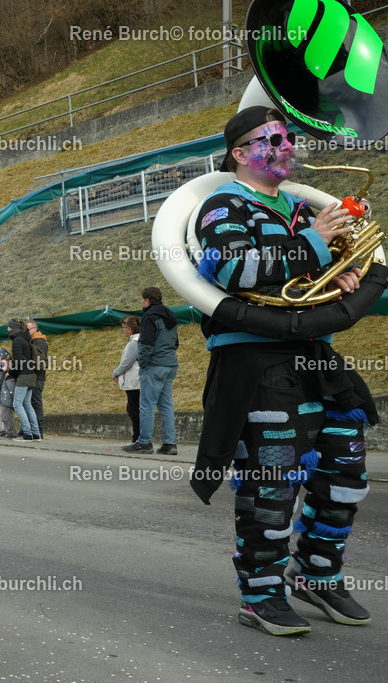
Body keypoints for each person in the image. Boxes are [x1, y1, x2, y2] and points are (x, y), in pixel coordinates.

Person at [190, 105, 378, 636]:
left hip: (314, 355)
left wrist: (342, 272)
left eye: (287, 136)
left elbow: (310, 266)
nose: (286, 145)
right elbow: (233, 267)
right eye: (271, 138)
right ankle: (261, 592)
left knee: (346, 472)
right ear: (240, 152)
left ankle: (318, 574)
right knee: (272, 484)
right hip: (257, 360)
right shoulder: (222, 205)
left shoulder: (297, 209)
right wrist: (315, 244)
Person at [122, 287, 178, 455]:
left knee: (146, 404)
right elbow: (176, 342)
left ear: (147, 300)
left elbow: (145, 344)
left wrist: (144, 364)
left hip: (154, 365)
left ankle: (144, 442)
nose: (141, 303)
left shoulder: (149, 316)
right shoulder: (171, 315)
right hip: (170, 363)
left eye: (141, 300)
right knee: (166, 405)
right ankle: (170, 443)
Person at [7, 318, 40, 441]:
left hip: (24, 375)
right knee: (27, 404)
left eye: (8, 327)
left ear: (12, 328)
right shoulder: (26, 338)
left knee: (17, 404)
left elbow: (18, 362)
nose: (7, 329)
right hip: (32, 374)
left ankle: (27, 434)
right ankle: (36, 433)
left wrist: (10, 373)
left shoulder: (17, 340)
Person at [112, 316, 140, 446]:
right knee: (133, 409)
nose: (122, 330)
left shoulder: (134, 343)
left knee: (134, 410)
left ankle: (137, 438)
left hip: (134, 381)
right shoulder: (136, 341)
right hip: (134, 380)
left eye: (123, 328)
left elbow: (126, 363)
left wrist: (116, 372)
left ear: (130, 329)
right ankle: (137, 437)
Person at [25, 319, 48, 434]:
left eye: (27, 329)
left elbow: (39, 362)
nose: (26, 331)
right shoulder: (33, 341)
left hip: (37, 378)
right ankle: (33, 428)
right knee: (31, 402)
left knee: (35, 402)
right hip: (34, 377)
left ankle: (38, 429)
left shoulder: (39, 342)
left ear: (34, 329)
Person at [0, 348, 17, 438]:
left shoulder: (3, 365)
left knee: (3, 413)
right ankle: (0, 429)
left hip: (2, 392)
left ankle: (4, 430)